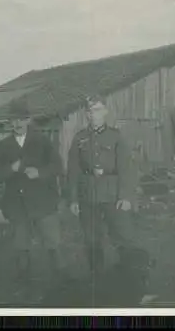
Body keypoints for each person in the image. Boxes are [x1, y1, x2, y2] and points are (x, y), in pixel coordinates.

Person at [66, 94, 155, 304]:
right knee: (92, 241)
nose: (93, 114)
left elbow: (127, 169)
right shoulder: (79, 138)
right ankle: (98, 287)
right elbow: (73, 171)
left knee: (124, 239)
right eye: (89, 111)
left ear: (105, 112)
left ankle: (136, 286)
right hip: (88, 197)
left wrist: (125, 196)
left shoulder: (116, 136)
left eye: (97, 110)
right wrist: (73, 199)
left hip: (114, 196)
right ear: (86, 114)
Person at [0, 100, 64, 286]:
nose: (18, 124)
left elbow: (57, 166)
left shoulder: (42, 141)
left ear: (28, 120)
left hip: (43, 201)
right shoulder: (2, 146)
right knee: (21, 244)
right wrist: (10, 169)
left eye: (21, 119)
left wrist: (40, 173)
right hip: (16, 204)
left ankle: (60, 278)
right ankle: (24, 281)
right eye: (13, 120)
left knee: (52, 240)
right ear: (9, 122)